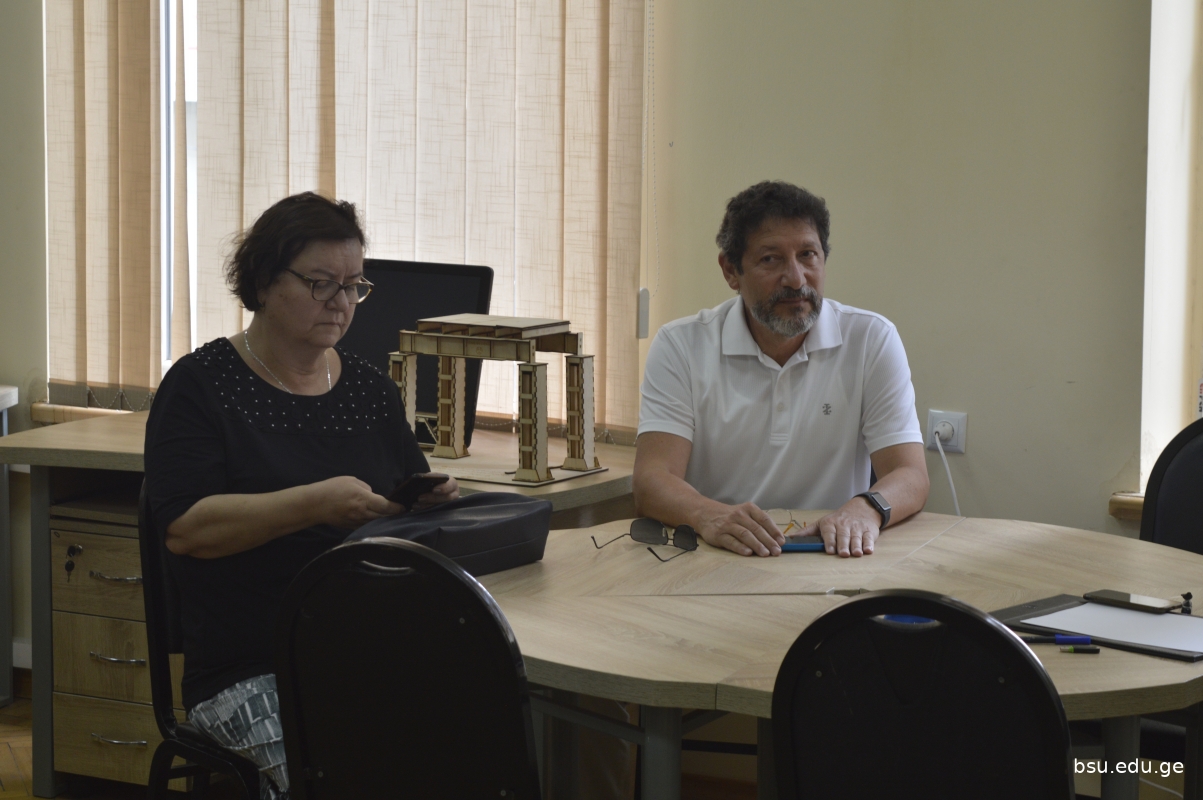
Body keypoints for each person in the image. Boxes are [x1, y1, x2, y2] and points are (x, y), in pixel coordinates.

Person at [144, 192, 459, 799]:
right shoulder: (201, 386)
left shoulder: (370, 390)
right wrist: (313, 504)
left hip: (371, 654)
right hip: (249, 666)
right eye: (321, 283)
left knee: (483, 743)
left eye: (354, 286)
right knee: (341, 774)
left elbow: (404, 512)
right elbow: (185, 528)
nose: (341, 302)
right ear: (264, 281)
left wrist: (428, 500)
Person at [633, 180, 929, 559]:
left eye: (808, 255)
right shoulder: (681, 346)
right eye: (771, 259)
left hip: (833, 554)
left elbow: (911, 475)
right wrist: (707, 515)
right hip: (720, 554)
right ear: (731, 271)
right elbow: (652, 480)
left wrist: (865, 508)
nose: (796, 279)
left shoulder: (871, 339)